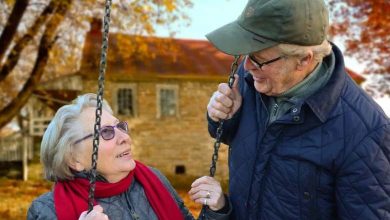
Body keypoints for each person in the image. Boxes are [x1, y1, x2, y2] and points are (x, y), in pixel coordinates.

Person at [205, 0, 390, 219]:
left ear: (303, 60)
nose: (247, 66)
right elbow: (237, 141)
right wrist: (224, 117)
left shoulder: (366, 132)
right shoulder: (250, 83)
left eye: (259, 59)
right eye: (246, 54)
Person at [27, 93, 231, 220]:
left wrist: (217, 209)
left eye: (120, 126)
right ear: (74, 159)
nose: (124, 137)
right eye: (106, 132)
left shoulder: (153, 179)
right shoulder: (45, 211)